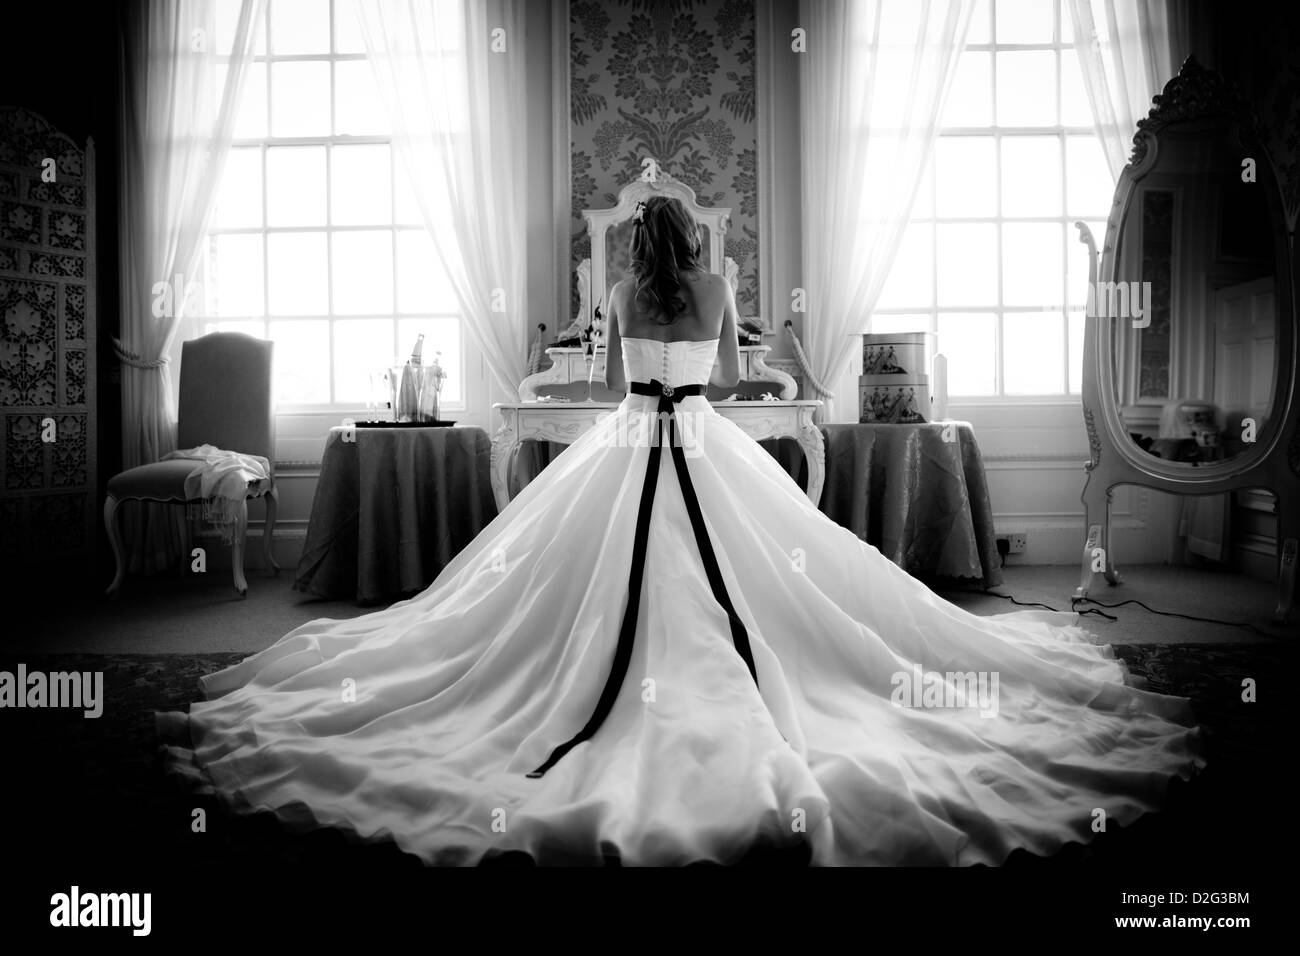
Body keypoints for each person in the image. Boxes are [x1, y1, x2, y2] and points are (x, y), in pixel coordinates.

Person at [159, 195, 1203, 867]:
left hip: (629, 445)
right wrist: (760, 362)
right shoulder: (720, 286)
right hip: (704, 438)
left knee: (553, 585)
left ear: (633, 247)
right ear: (696, 243)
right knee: (789, 579)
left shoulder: (617, 291)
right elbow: (745, 381)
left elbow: (617, 383)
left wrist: (647, 362)